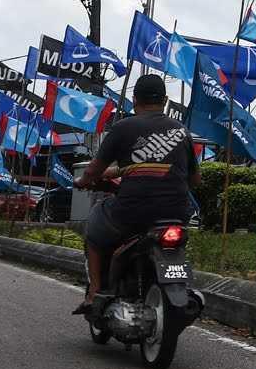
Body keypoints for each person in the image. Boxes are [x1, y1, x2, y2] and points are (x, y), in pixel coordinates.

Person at [73, 74, 199, 314]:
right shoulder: (181, 130)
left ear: (134, 100)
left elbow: (93, 170)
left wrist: (83, 181)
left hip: (132, 213)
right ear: (164, 100)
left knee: (95, 228)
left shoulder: (123, 127)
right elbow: (195, 179)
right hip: (177, 213)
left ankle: (94, 292)